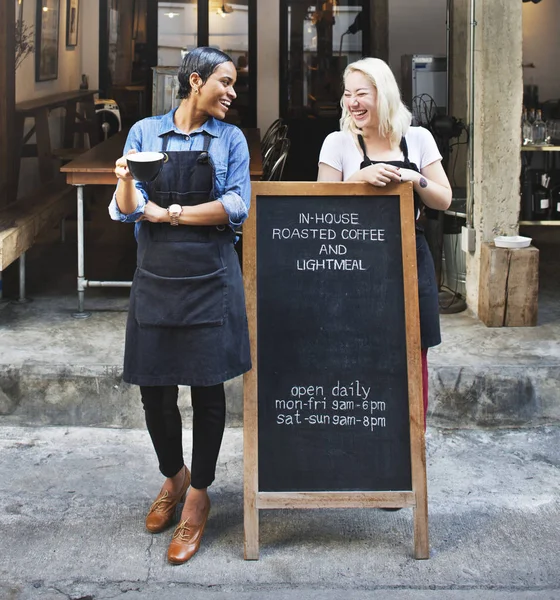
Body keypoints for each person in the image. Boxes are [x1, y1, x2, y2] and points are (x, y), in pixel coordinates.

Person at [109, 47, 251, 564]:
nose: (233, 93)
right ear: (196, 81)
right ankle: (175, 476)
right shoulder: (145, 133)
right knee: (155, 392)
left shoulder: (230, 139)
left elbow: (237, 206)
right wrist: (127, 179)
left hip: (211, 277)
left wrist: (167, 214)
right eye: (226, 82)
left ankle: (197, 500)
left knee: (208, 393)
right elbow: (124, 212)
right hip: (156, 278)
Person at [318, 57, 452, 427]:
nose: (352, 103)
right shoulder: (338, 143)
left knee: (414, 350)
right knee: (357, 350)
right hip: (353, 261)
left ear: (385, 95)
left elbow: (444, 199)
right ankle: (365, 435)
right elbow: (318, 206)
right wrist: (359, 178)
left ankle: (412, 443)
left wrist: (413, 179)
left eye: (362, 93)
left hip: (409, 256)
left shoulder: (419, 139)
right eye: (348, 95)